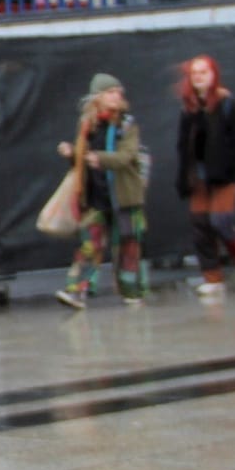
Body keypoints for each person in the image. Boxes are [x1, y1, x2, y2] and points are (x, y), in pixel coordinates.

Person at [53, 73, 149, 307]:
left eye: (118, 92)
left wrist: (101, 159)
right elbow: (84, 159)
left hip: (124, 196)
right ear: (97, 97)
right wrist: (72, 153)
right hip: (96, 195)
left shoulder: (126, 124)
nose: (116, 97)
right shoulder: (88, 125)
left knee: (129, 244)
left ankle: (132, 292)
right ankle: (77, 290)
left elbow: (127, 156)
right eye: (110, 92)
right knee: (90, 244)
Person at [175, 55, 235, 297]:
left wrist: (226, 163)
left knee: (220, 221)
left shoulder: (226, 102)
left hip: (222, 174)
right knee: (200, 224)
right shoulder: (188, 106)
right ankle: (212, 277)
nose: (198, 77)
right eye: (194, 73)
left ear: (213, 75)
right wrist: (184, 174)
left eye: (203, 72)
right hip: (197, 175)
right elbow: (183, 144)